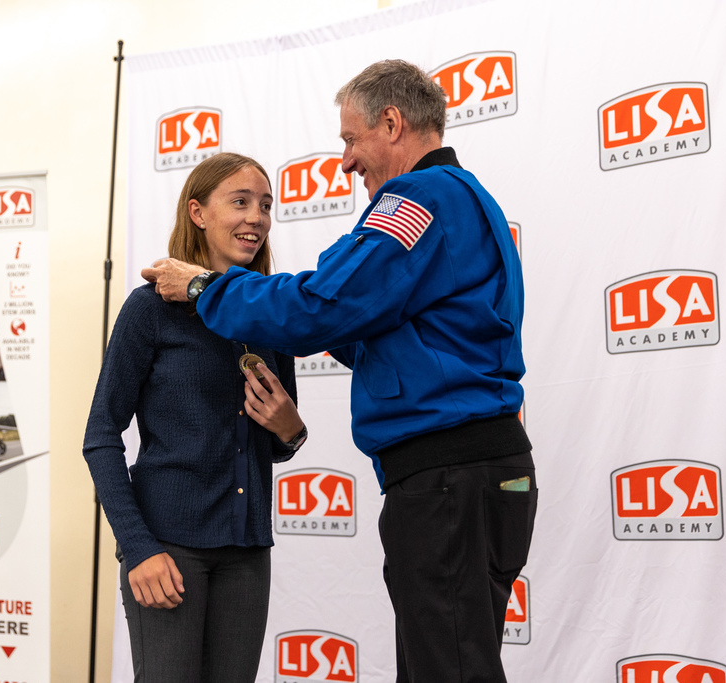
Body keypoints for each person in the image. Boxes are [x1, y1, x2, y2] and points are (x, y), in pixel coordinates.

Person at [142, 60, 536, 683]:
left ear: (391, 122)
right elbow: (385, 330)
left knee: (448, 669)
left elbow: (323, 307)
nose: (346, 160)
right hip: (485, 474)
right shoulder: (473, 201)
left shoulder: (417, 201)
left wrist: (205, 288)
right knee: (455, 661)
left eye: (352, 140)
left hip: (445, 481)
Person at [84, 152, 307, 683]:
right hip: (168, 551)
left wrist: (290, 431)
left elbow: (282, 436)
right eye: (240, 202)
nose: (256, 216)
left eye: (265, 206)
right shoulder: (150, 309)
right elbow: (100, 436)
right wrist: (139, 549)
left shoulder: (270, 313)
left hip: (248, 552)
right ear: (198, 213)